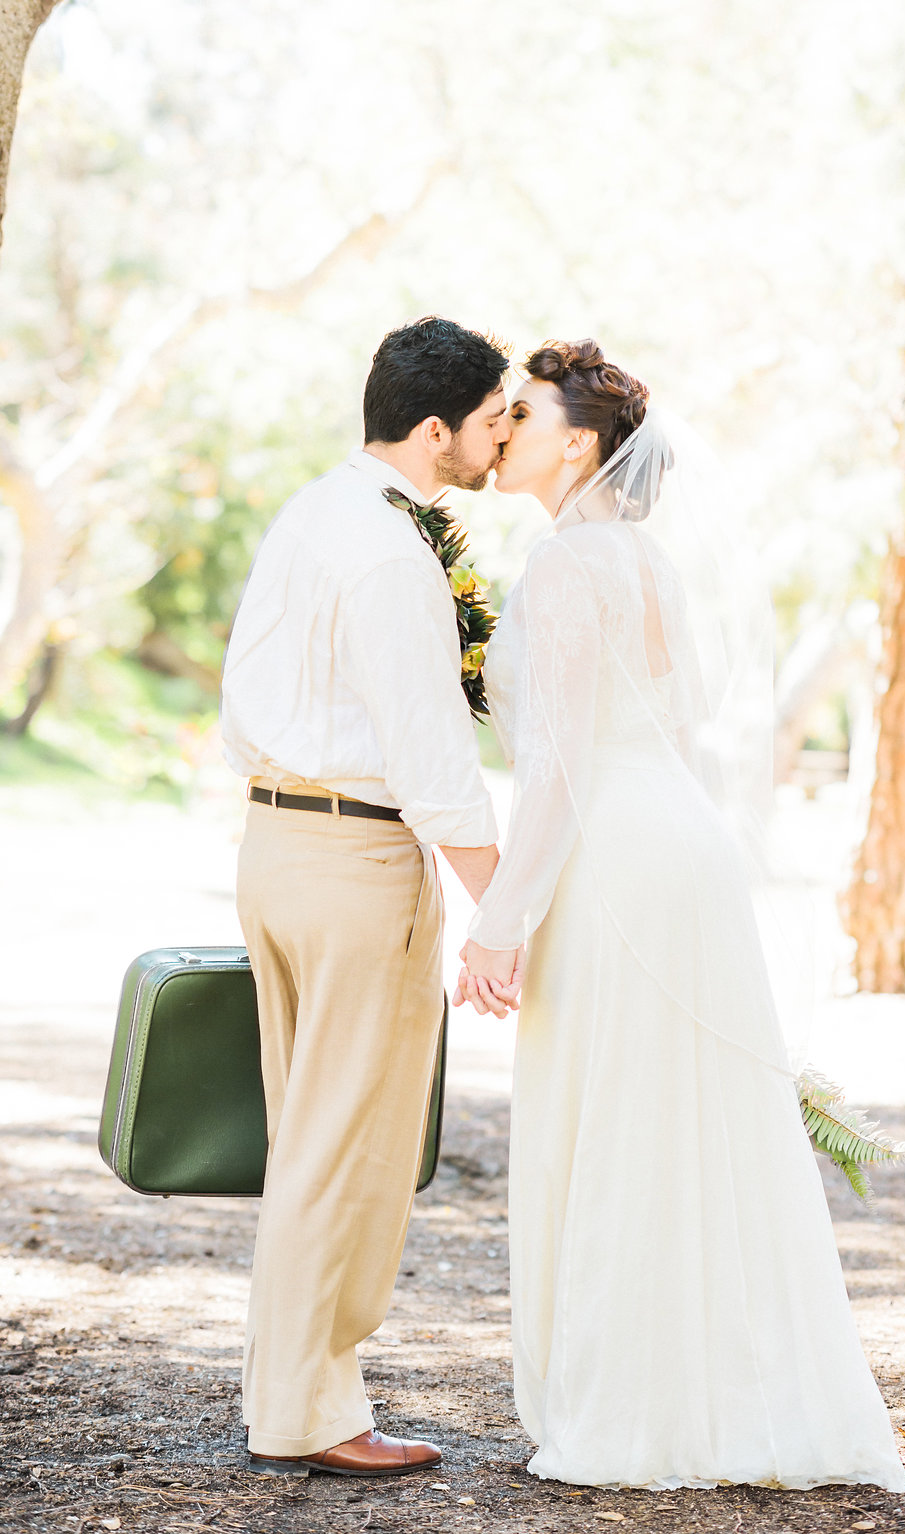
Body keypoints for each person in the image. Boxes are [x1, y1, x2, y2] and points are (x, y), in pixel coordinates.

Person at [454, 339, 905, 1493]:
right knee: (691, 1128)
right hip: (681, 851)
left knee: (617, 1119)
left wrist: (500, 918)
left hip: (618, 857)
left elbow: (554, 769)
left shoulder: (564, 568)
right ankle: (731, 1394)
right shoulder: (647, 564)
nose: (502, 429)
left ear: (579, 443)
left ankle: (632, 1409)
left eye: (525, 413)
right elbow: (674, 722)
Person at [220, 316, 518, 1478]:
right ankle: (308, 1415)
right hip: (355, 864)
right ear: (435, 428)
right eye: (493, 420)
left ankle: (292, 1397)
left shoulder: (312, 512)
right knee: (345, 1149)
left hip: (274, 847)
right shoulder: (395, 557)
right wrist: (504, 906)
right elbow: (430, 757)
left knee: (309, 1134)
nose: (501, 440)